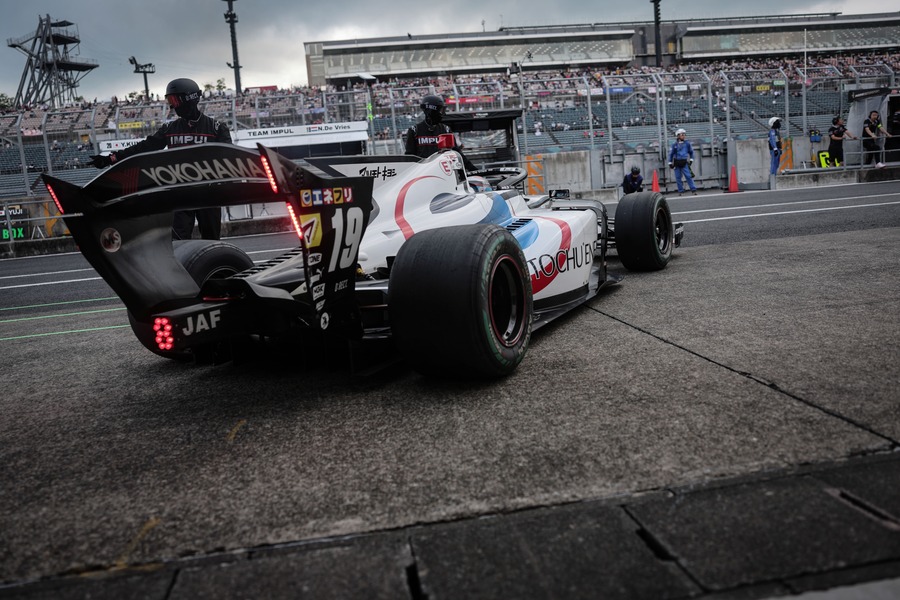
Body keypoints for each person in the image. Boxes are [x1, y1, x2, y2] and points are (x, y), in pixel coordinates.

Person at [89, 78, 230, 240]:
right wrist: (112, 158)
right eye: (170, 101)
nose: (173, 106)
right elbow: (144, 147)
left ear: (190, 98)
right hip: (180, 194)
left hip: (208, 194)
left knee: (212, 240)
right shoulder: (170, 129)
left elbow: (230, 159)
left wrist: (225, 187)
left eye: (175, 100)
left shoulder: (216, 128)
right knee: (178, 242)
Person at [405, 94, 476, 171]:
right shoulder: (414, 130)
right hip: (423, 173)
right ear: (431, 111)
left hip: (443, 172)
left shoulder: (446, 129)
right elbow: (409, 157)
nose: (443, 114)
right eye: (440, 110)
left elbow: (457, 153)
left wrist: (472, 169)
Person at [668, 129, 697, 196]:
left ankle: (693, 189)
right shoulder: (674, 144)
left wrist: (691, 159)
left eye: (684, 134)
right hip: (677, 162)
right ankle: (680, 191)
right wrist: (670, 163)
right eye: (682, 134)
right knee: (678, 177)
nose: (684, 136)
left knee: (688, 176)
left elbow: (691, 152)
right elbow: (671, 154)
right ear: (678, 136)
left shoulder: (687, 144)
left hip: (684, 162)